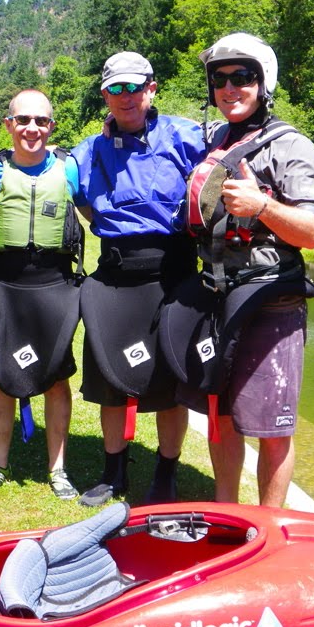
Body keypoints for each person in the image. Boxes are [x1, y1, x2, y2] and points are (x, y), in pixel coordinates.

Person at [179, 33, 314, 506]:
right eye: (219, 79)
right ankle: (226, 513)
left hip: (271, 301)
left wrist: (262, 205)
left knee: (272, 429)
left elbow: (311, 232)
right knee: (220, 415)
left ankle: (270, 525)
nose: (229, 88)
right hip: (219, 297)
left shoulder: (292, 146)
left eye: (242, 77)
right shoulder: (215, 141)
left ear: (263, 84)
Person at [68, 52, 207, 506]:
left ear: (152, 88)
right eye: (116, 88)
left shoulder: (186, 136)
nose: (125, 96)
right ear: (105, 94)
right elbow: (75, 196)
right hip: (114, 276)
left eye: (134, 87)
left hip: (173, 275)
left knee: (171, 384)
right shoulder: (89, 150)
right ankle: (114, 473)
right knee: (111, 382)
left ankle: (166, 473)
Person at [0, 89, 83, 500]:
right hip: (4, 284)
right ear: (9, 124)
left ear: (51, 126)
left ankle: (59, 469)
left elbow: (96, 209)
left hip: (55, 283)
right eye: (23, 120)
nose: (31, 128)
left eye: (40, 121)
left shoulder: (70, 169)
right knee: (3, 377)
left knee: (56, 377)